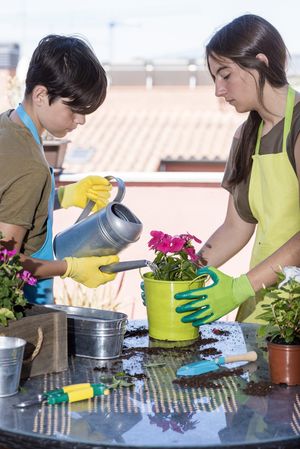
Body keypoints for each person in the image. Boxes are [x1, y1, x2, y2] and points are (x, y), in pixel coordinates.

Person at [175, 14, 300, 325]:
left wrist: (240, 286)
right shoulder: (246, 137)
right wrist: (181, 276)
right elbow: (236, 227)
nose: (219, 90)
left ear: (258, 63)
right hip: (264, 303)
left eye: (225, 74)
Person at [0, 34, 119, 305]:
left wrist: (64, 198)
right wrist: (70, 268)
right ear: (41, 94)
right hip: (16, 310)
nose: (81, 120)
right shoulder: (30, 165)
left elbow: (8, 206)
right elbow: (3, 262)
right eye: (74, 109)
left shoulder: (7, 125)